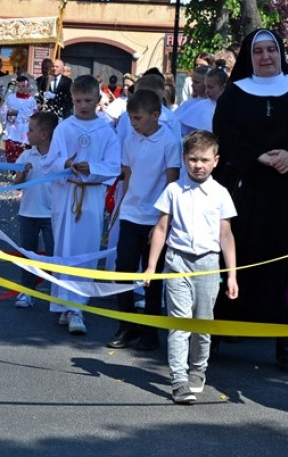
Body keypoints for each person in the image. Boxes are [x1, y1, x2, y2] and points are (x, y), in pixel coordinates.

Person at [212, 28, 288, 372]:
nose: (265, 57)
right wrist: (256, 157)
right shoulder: (234, 94)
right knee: (237, 256)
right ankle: (219, 331)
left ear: (281, 53)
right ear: (250, 56)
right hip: (248, 188)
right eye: (258, 51)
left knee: (287, 263)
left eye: (271, 50)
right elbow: (225, 133)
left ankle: (283, 344)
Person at [143, 130, 238, 405]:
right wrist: (151, 266)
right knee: (179, 323)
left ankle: (198, 369)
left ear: (216, 161)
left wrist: (231, 274)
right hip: (177, 261)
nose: (199, 165)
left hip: (208, 263)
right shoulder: (173, 190)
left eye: (205, 160)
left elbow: (226, 235)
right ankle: (179, 379)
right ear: (184, 159)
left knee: (202, 324)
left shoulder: (220, 194)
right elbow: (161, 229)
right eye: (193, 159)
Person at [107, 89, 181, 351]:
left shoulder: (170, 142)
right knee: (123, 269)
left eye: (137, 118)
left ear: (156, 115)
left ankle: (151, 331)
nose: (133, 123)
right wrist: (120, 207)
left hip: (154, 219)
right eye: (130, 118)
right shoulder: (130, 140)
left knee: (153, 276)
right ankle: (126, 325)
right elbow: (128, 175)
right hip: (130, 214)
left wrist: (164, 220)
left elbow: (172, 182)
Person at [49, 75, 122, 335]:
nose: (82, 105)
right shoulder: (64, 128)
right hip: (67, 194)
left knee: (86, 249)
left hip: (90, 197)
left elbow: (114, 166)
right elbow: (51, 161)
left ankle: (78, 307)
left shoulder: (106, 130)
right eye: (78, 100)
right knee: (64, 248)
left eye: (88, 100)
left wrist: (92, 168)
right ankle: (63, 304)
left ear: (98, 99)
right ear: (71, 100)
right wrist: (66, 164)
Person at [11, 111, 60, 308]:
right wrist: (22, 174)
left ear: (44, 134)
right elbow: (16, 184)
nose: (27, 133)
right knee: (28, 253)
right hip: (28, 213)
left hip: (50, 214)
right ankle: (27, 291)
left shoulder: (58, 157)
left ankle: (57, 292)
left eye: (31, 130)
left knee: (54, 253)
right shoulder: (26, 155)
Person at [0, 75, 38, 163]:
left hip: (25, 131)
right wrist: (9, 115)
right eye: (19, 86)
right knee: (11, 156)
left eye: (23, 86)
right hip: (12, 130)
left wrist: (29, 119)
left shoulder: (31, 100)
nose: (20, 88)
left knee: (24, 156)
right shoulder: (11, 97)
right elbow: (3, 110)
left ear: (27, 86)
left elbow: (35, 115)